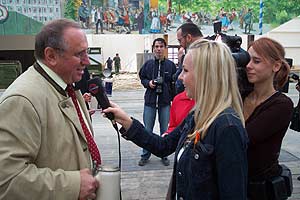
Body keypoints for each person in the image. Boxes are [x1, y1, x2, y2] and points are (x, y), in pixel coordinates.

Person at [104, 39, 248, 199]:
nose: (179, 77)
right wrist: (125, 120)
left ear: (206, 75)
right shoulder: (197, 115)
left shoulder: (227, 129)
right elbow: (163, 146)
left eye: (185, 70)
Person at [0, 19, 100, 199]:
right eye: (79, 54)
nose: (87, 61)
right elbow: (7, 179)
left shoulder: (68, 86)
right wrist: (73, 185)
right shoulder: (21, 100)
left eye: (86, 52)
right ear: (51, 56)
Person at [244, 37, 293, 199]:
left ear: (276, 66)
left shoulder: (282, 105)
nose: (248, 66)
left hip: (261, 189)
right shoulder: (240, 96)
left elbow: (243, 138)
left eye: (256, 61)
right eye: (248, 59)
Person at [138, 38, 177, 166]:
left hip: (165, 103)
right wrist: (148, 83)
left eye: (161, 46)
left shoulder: (171, 65)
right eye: (156, 46)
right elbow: (142, 77)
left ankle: (164, 154)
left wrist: (173, 98)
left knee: (164, 129)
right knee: (147, 130)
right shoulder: (148, 64)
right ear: (153, 48)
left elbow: (174, 83)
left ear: (165, 48)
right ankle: (145, 155)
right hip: (150, 101)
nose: (159, 49)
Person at [175, 22, 203, 94]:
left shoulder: (194, 55)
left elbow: (179, 84)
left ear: (188, 37)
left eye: (180, 40)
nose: (180, 44)